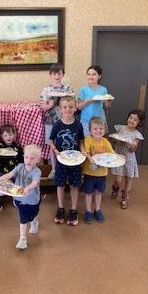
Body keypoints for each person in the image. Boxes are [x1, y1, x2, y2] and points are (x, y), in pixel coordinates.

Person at [0, 144, 42, 250]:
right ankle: (22, 239)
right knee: (23, 218)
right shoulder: (20, 167)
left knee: (33, 214)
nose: (28, 160)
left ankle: (34, 221)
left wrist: (27, 188)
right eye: (26, 157)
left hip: (32, 200)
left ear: (38, 160)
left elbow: (35, 183)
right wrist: (0, 179)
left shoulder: (37, 172)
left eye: (32, 158)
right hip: (19, 198)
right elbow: (10, 174)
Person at [50, 96, 84, 226]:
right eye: (65, 107)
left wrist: (83, 151)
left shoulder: (78, 124)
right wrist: (55, 150)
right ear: (60, 109)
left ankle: (73, 210)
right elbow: (51, 142)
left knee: (75, 185)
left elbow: (81, 141)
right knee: (60, 185)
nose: (68, 109)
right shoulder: (57, 125)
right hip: (61, 161)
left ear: (75, 108)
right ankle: (60, 208)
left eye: (70, 107)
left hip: (75, 161)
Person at [39, 63, 74, 180]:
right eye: (54, 74)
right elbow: (43, 106)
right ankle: (54, 169)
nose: (57, 76)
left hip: (66, 121)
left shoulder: (68, 89)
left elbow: (73, 104)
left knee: (66, 142)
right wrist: (51, 104)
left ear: (63, 74)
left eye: (59, 73)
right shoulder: (46, 89)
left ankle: (66, 168)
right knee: (51, 145)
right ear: (50, 75)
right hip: (50, 121)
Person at [82, 117, 115, 223]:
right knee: (88, 193)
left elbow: (112, 154)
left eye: (101, 128)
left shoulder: (105, 141)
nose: (98, 131)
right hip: (89, 173)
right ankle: (88, 211)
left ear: (104, 130)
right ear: (90, 130)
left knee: (99, 193)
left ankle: (97, 210)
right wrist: (88, 156)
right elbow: (85, 152)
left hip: (102, 173)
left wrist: (118, 156)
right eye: (95, 128)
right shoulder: (88, 140)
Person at [110, 109, 145, 209]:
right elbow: (114, 141)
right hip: (118, 157)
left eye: (135, 120)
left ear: (139, 123)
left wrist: (132, 144)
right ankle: (115, 189)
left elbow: (133, 150)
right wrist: (113, 139)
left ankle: (125, 197)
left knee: (129, 179)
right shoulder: (120, 128)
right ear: (127, 118)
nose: (132, 121)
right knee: (118, 180)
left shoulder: (137, 135)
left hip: (129, 159)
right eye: (130, 118)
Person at [0, 124, 23, 207]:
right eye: (5, 135)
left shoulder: (17, 147)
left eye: (10, 134)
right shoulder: (0, 147)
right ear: (1, 136)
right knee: (4, 187)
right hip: (2, 172)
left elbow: (21, 160)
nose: (8, 137)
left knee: (18, 184)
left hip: (14, 172)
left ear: (14, 135)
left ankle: (16, 199)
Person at [78, 65, 112, 137]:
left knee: (98, 143)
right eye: (89, 74)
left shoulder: (103, 89)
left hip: (99, 121)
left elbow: (107, 106)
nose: (91, 76)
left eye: (94, 74)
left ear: (99, 76)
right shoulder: (83, 90)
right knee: (87, 143)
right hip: (86, 121)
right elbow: (79, 107)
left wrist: (109, 101)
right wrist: (87, 102)